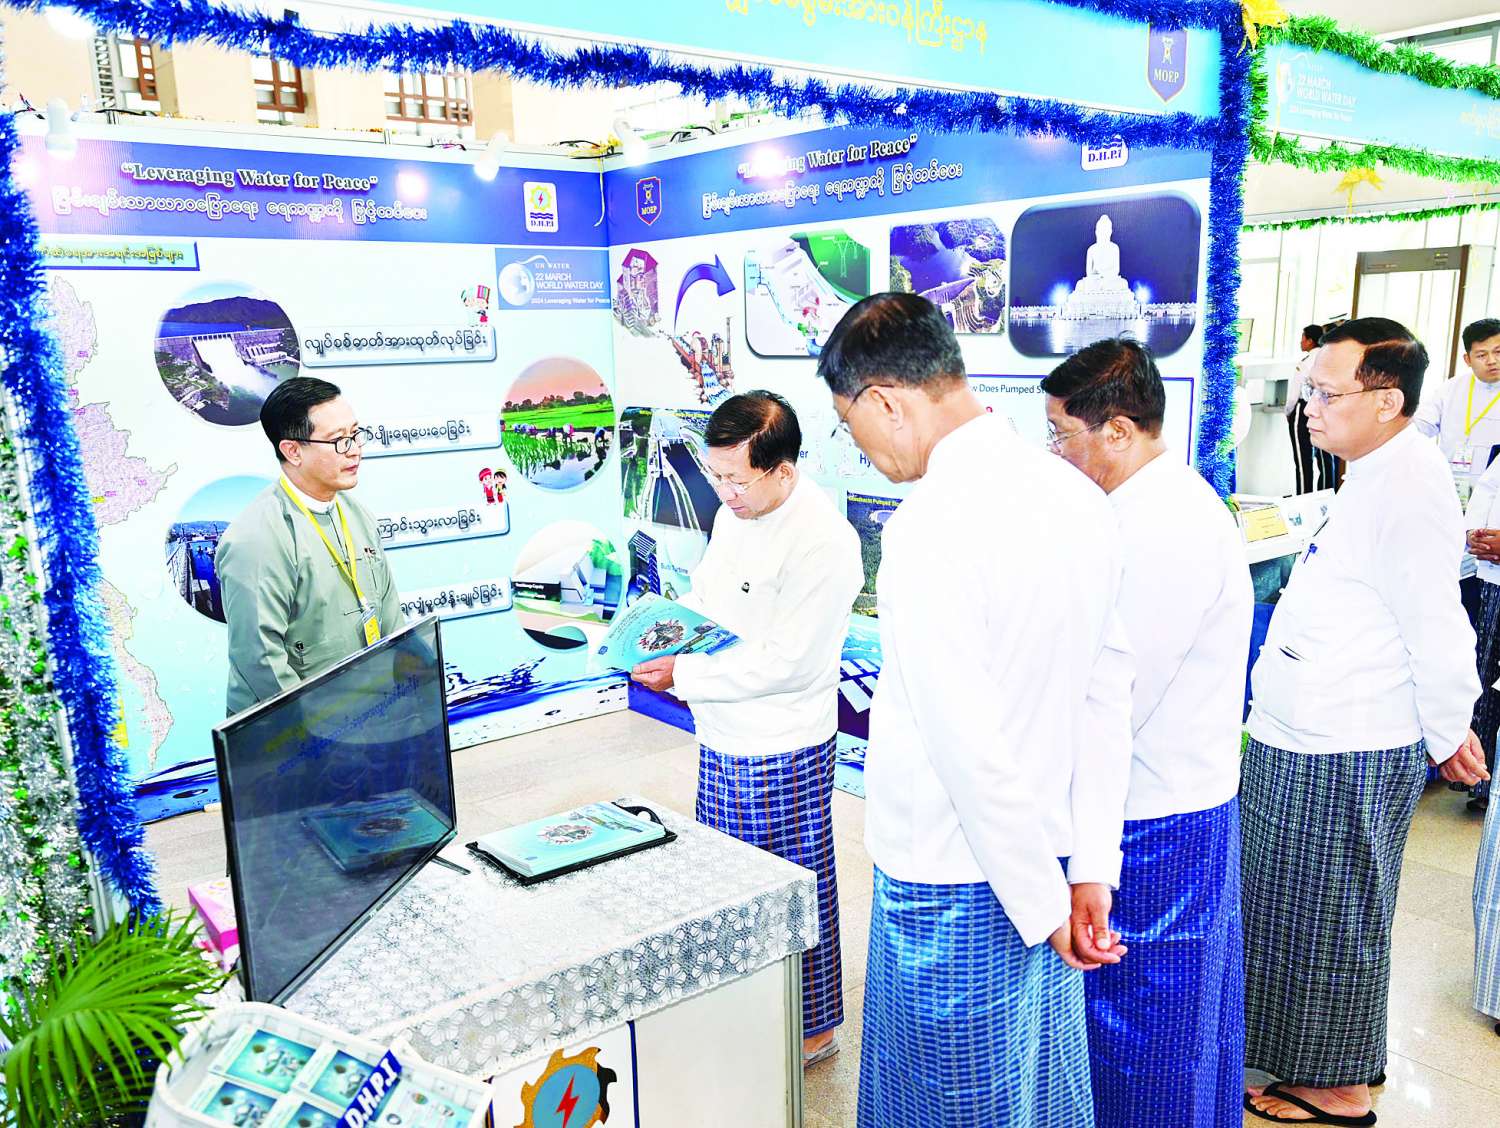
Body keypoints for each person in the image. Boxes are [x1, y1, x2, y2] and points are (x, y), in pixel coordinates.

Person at [815, 293, 1134, 1126]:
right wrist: (1087, 869)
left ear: (886, 401)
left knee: (946, 1100)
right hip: (1047, 857)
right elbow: (1107, 697)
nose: (862, 449)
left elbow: (966, 746)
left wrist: (1044, 908)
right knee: (1036, 1093)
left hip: (955, 875)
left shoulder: (930, 526)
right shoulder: (1076, 495)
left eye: (852, 426)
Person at [1243, 318, 1487, 1125]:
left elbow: (1438, 626)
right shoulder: (1373, 471)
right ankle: (1312, 1058)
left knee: (1333, 916)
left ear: (1387, 400)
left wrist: (1449, 732)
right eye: (1307, 390)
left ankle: (1338, 1088)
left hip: (1347, 740)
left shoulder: (1408, 487)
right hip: (1309, 730)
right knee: (1296, 909)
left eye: (1325, 392)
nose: (1308, 407)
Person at [1042, 339, 1251, 1128]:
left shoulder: (1167, 527)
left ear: (1121, 431)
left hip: (1156, 816)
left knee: (1148, 1027)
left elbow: (1118, 698)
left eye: (1064, 435)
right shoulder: (1133, 509)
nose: (1056, 452)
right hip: (1147, 801)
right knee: (1160, 1017)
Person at [628, 390, 862, 1067]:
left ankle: (812, 1026)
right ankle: (748, 1008)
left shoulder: (824, 543)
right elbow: (707, 597)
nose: (724, 492)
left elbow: (790, 663)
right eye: (716, 476)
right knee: (728, 879)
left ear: (783, 469)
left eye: (737, 479)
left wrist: (684, 675)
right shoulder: (737, 514)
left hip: (781, 744)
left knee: (792, 887)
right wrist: (659, 631)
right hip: (723, 732)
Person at [218, 377, 402, 715]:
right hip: (290, 730)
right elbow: (261, 661)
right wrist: (325, 730)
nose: (355, 450)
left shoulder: (356, 514)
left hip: (365, 712)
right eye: (339, 441)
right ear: (293, 451)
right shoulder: (256, 539)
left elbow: (391, 618)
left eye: (355, 434)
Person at [1415, 317, 1500, 502]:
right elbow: (1420, 426)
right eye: (1482, 355)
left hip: (1496, 494)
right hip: (1451, 489)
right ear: (1467, 359)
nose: (1492, 361)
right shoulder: (1451, 388)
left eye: (1498, 352)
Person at [1287, 323, 1338, 494]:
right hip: (1327, 408)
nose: (1301, 342)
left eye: (1302, 338)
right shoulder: (1329, 359)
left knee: (1303, 461)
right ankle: (1326, 497)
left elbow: (1293, 395)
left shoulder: (1305, 362)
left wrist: (1288, 413)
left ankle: (1303, 498)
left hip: (1303, 410)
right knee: (1326, 459)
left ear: (1310, 341)